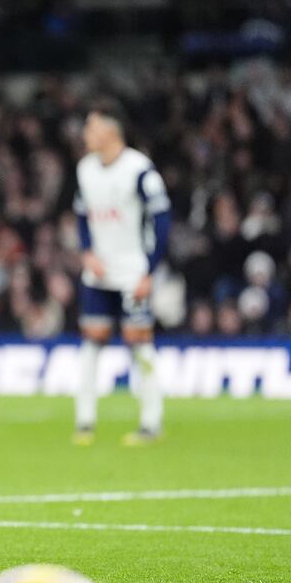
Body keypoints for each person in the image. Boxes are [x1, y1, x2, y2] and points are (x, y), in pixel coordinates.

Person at [71, 101, 171, 446]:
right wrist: (87, 252)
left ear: (111, 130)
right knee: (91, 342)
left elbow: (162, 220)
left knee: (140, 345)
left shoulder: (140, 170)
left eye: (91, 126)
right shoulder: (85, 168)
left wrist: (149, 271)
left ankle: (151, 421)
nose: (86, 134)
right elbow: (82, 214)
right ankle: (84, 421)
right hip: (99, 272)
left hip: (132, 271)